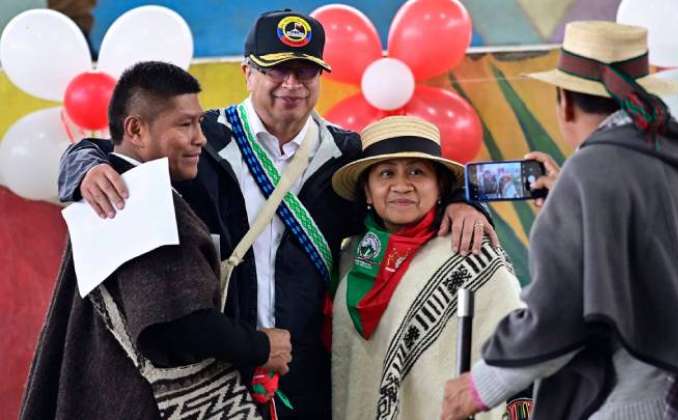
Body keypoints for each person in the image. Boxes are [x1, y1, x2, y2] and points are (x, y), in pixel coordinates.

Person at [56, 10, 495, 418]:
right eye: (276, 69)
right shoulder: (199, 139)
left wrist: (462, 202)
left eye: (305, 71)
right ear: (247, 73)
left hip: (309, 371)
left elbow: (412, 185)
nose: (292, 83)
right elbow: (119, 148)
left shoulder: (347, 155)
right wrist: (83, 166)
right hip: (220, 360)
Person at [442, 21, 678, 420]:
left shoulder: (590, 173)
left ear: (564, 102)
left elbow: (559, 309)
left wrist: (481, 385)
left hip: (631, 405)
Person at [20, 61, 276, 419]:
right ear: (136, 130)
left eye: (200, 122)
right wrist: (262, 345)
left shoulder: (114, 185)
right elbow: (176, 326)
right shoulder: (137, 197)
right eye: (185, 124)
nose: (199, 137)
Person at [329, 116, 523, 420]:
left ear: (440, 186)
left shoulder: (472, 252)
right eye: (386, 173)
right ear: (367, 191)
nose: (401, 185)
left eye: (417, 172)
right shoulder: (350, 255)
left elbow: (514, 351)